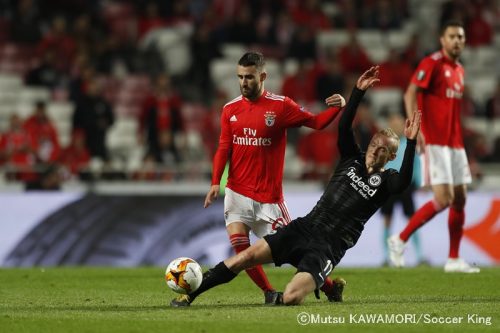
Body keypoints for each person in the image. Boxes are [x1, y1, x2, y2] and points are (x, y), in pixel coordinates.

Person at [171, 66, 421, 307]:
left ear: (390, 157)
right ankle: (190, 295)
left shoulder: (388, 180)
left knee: (291, 297)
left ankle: (320, 287)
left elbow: (404, 182)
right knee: (244, 257)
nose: (376, 149)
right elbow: (344, 127)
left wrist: (410, 143)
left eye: (384, 149)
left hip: (328, 247)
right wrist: (358, 91)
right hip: (304, 227)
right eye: (376, 142)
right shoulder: (351, 158)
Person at [203, 52, 346, 304]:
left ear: (263, 76)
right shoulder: (230, 110)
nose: (244, 82)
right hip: (236, 192)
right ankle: (269, 293)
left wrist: (337, 108)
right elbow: (224, 147)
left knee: (295, 251)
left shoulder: (281, 106)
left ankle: (331, 287)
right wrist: (216, 182)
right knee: (241, 248)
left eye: (249, 77)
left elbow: (316, 123)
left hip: (269, 199)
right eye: (240, 77)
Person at [388, 21, 479, 273]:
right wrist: (417, 131)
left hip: (455, 144)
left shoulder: (459, 69)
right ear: (442, 39)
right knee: (443, 198)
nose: (457, 41)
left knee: (459, 199)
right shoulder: (432, 63)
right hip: (436, 142)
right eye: (452, 36)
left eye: (461, 36)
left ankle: (453, 259)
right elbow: (410, 93)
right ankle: (400, 239)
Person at [380, 112, 425, 266]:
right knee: (387, 220)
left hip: (406, 187)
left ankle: (420, 256)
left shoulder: (410, 143)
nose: (396, 127)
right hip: (388, 186)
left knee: (413, 220)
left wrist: (418, 183)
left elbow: (416, 163)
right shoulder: (385, 145)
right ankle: (386, 257)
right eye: (393, 124)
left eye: (398, 124)